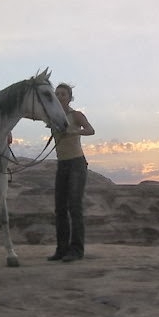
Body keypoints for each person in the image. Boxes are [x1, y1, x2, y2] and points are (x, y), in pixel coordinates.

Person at [48, 82, 95, 262]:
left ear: (69, 97)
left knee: (74, 207)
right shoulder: (52, 117)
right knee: (59, 208)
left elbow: (91, 130)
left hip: (76, 163)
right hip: (62, 164)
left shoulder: (76, 115)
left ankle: (76, 250)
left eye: (63, 94)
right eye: (57, 94)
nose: (60, 97)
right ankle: (61, 249)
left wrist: (74, 131)